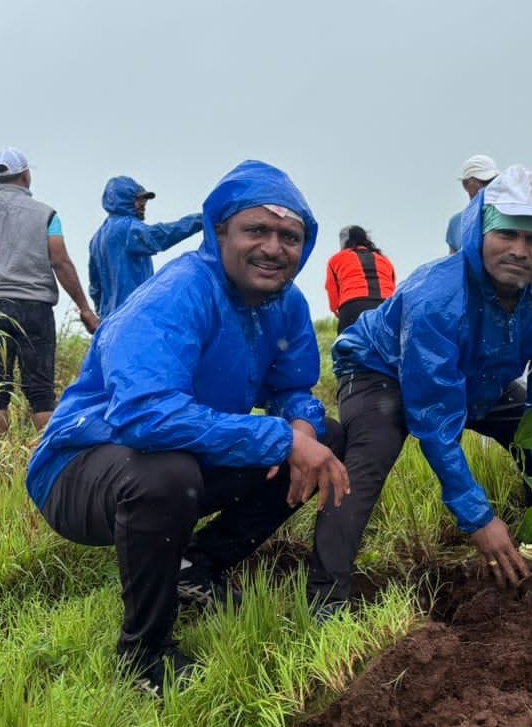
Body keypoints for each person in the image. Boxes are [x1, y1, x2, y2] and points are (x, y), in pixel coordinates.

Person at [25, 160, 349, 693]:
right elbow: (143, 415)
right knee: (167, 475)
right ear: (220, 231)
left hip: (174, 453)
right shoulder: (178, 293)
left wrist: (302, 428)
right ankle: (143, 656)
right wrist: (279, 437)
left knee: (325, 436)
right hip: (79, 469)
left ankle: (196, 568)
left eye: (289, 236)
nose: (273, 247)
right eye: (256, 231)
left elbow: (293, 388)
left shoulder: (286, 304)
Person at [308, 165, 532, 613]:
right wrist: (478, 518)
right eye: (507, 234)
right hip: (381, 368)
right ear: (480, 230)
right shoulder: (437, 296)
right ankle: (325, 598)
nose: (520, 250)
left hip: (476, 380)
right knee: (371, 452)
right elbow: (435, 418)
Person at [0, 148, 99, 438]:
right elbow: (60, 261)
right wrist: (85, 309)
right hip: (36, 310)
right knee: (41, 394)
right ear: (26, 175)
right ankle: (45, 466)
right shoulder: (46, 214)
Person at [88, 175, 203, 317]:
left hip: (110, 322)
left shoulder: (96, 239)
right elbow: (161, 235)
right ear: (123, 200)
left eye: (144, 199)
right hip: (134, 316)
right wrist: (200, 220)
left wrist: (103, 315)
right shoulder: (127, 228)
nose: (144, 204)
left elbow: (95, 288)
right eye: (138, 199)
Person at [325, 226, 397, 332]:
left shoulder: (337, 259)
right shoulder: (385, 260)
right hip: (386, 306)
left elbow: (331, 288)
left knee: (348, 345)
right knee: (387, 346)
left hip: (353, 305)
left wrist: (335, 309)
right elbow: (392, 286)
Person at [446, 155, 499, 254]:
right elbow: (453, 265)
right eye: (483, 182)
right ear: (466, 185)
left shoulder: (505, 218)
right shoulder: (456, 222)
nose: (489, 187)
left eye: (493, 181)